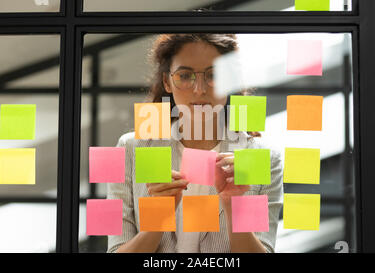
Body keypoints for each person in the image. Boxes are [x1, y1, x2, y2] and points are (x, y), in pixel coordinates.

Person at [107, 34, 283, 253]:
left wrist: (234, 207)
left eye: (215, 75)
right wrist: (159, 218)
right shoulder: (131, 149)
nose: (199, 89)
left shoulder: (262, 159)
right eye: (185, 75)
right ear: (166, 82)